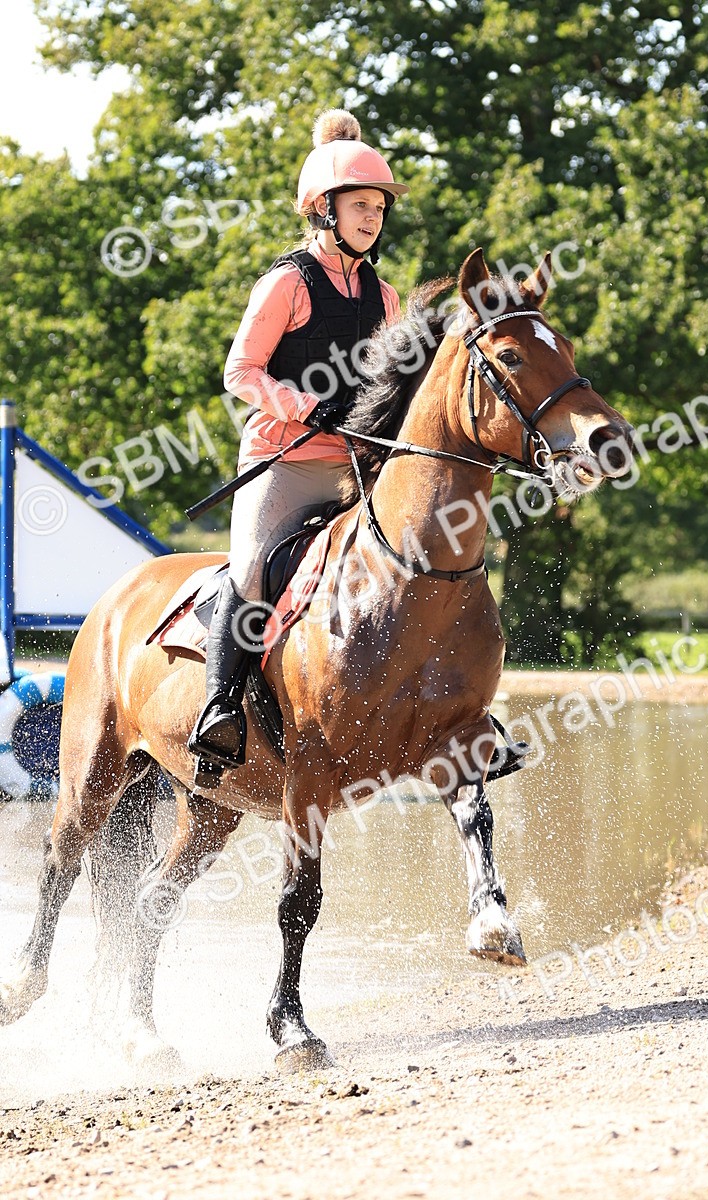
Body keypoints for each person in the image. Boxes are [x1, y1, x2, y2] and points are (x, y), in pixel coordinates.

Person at [188, 109, 408, 778]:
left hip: (356, 469)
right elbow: (239, 372)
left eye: (378, 206)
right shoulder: (286, 283)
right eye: (359, 204)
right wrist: (308, 405)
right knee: (252, 571)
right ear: (323, 209)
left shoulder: (387, 296)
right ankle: (218, 711)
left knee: (417, 562)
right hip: (281, 464)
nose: (371, 217)